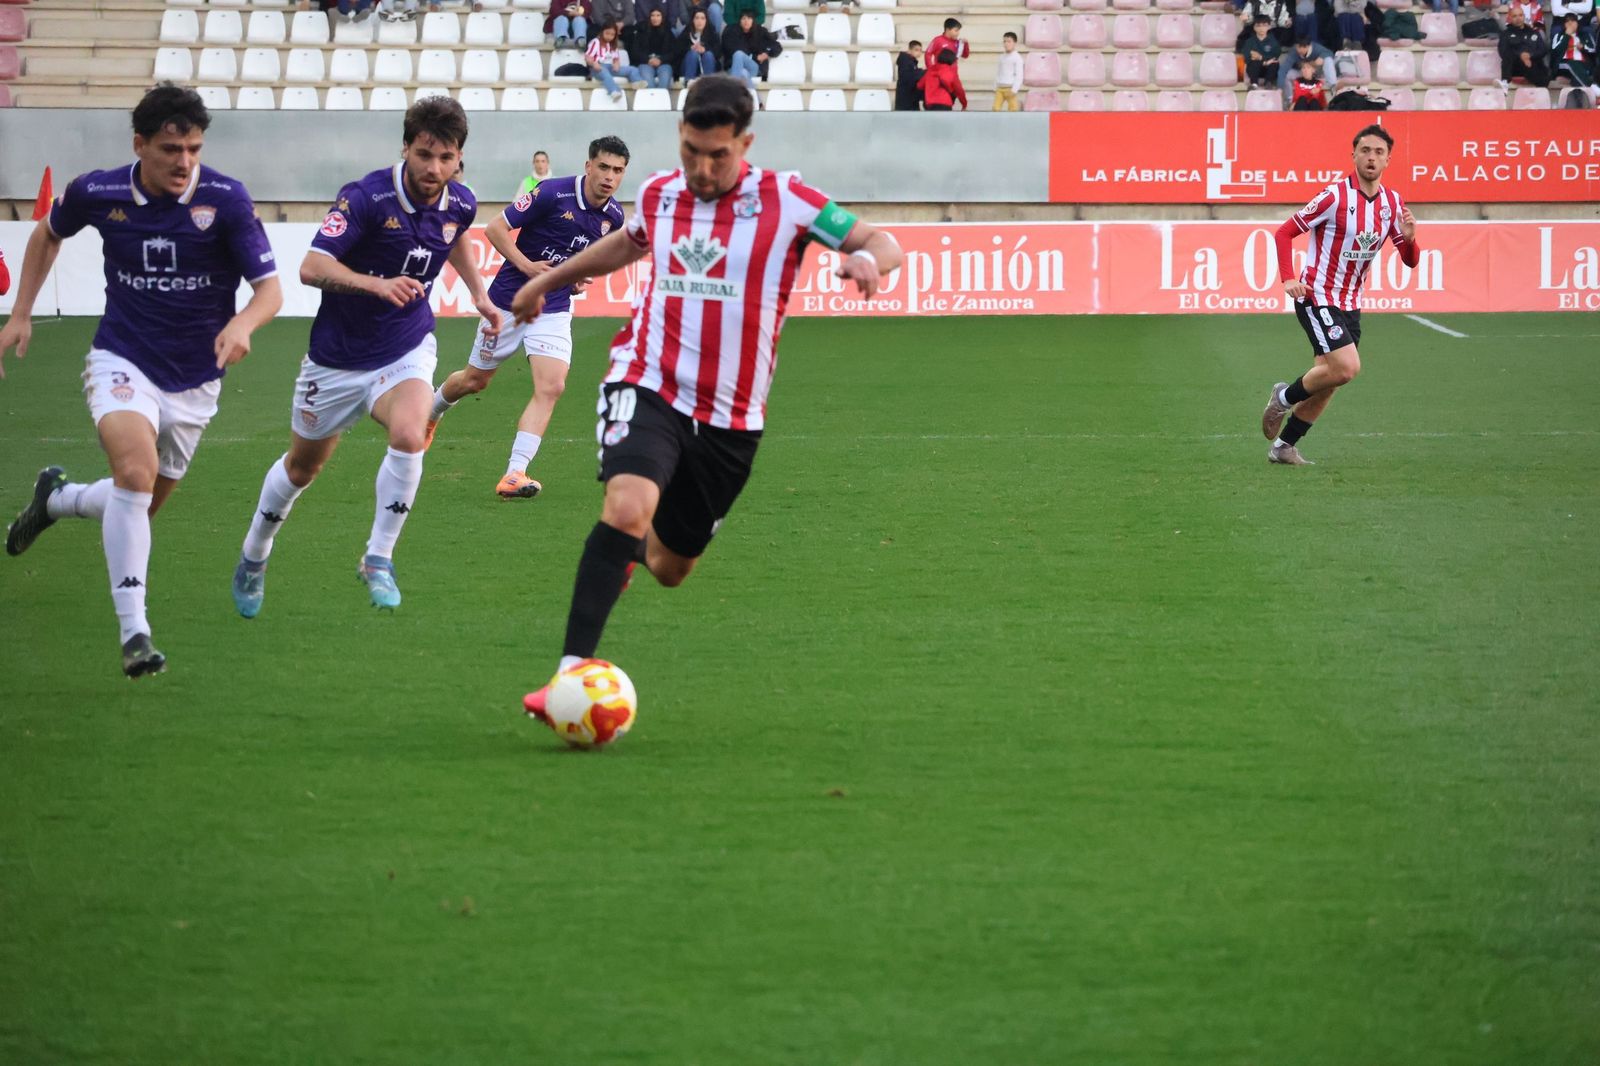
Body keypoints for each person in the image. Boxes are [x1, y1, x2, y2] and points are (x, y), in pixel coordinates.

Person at [508, 74, 902, 717]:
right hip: (648, 379)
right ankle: (568, 675)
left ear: (745, 143)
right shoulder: (662, 193)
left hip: (730, 415)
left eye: (718, 154)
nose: (703, 166)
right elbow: (622, 246)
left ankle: (630, 552)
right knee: (628, 503)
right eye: (691, 149)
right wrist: (545, 280)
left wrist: (869, 263)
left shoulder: (791, 200)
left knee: (669, 565)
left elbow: (880, 242)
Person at [0, 84, 281, 677]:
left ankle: (56, 501)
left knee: (140, 503)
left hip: (198, 380)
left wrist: (244, 324)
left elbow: (271, 291)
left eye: (194, 148)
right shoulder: (97, 191)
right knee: (134, 473)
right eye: (170, 148)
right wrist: (21, 311)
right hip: (122, 358)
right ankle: (135, 633)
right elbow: (47, 233)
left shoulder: (226, 199)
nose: (184, 161)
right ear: (140, 144)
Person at [230, 97, 497, 617]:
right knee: (302, 468)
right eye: (424, 155)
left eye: (446, 158)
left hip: (405, 347)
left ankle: (378, 557)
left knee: (409, 432)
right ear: (406, 146)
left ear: (459, 157)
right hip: (335, 360)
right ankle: (254, 556)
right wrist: (375, 285)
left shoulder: (459, 201)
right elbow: (311, 267)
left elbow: (457, 237)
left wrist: (479, 295)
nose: (434, 169)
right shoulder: (367, 198)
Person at [428, 137, 628, 499]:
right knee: (475, 380)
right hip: (509, 301)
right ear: (588, 166)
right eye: (603, 167)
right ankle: (433, 408)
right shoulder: (552, 193)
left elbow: (590, 257)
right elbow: (494, 229)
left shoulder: (613, 218)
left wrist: (579, 277)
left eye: (617, 170)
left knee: (552, 386)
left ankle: (515, 472)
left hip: (553, 307)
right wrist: (527, 266)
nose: (609, 177)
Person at [1260, 125, 1418, 466]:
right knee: (1346, 368)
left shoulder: (1392, 203)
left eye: (1378, 152)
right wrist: (1288, 279)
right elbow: (1284, 232)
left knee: (1329, 381)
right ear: (1354, 155)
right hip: (1317, 295)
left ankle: (1284, 447)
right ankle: (1283, 397)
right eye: (1365, 150)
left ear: (1389, 159)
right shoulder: (1334, 196)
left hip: (1350, 303)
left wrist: (1409, 239)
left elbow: (1409, 260)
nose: (1371, 157)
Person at [721, 9, 778, 87]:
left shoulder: (760, 32)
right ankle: (754, 98)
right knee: (743, 72)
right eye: (743, 18)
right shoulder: (732, 32)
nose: (746, 21)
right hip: (734, 67)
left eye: (749, 18)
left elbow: (777, 46)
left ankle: (733, 91)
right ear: (740, 21)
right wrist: (755, 57)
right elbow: (732, 49)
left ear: (753, 21)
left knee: (739, 55)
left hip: (754, 67)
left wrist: (767, 53)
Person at [587, 23, 640, 102]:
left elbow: (616, 58)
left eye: (612, 35)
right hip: (597, 68)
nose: (609, 37)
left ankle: (638, 85)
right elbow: (588, 57)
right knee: (605, 73)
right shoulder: (595, 42)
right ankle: (614, 91)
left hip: (610, 67)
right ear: (602, 32)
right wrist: (594, 64)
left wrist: (616, 64)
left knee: (633, 69)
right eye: (607, 33)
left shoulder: (613, 44)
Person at [1500, 5, 1550, 85]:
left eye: (1520, 15)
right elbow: (1503, 52)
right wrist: (1521, 56)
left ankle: (1543, 83)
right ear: (1510, 18)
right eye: (1514, 16)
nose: (1518, 18)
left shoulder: (1533, 32)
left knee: (1541, 70)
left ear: (1524, 16)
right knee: (1508, 59)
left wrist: (1529, 55)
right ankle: (1505, 84)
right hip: (1515, 67)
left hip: (1532, 63)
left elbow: (1543, 50)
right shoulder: (1505, 34)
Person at [631, 7, 678, 88]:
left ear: (662, 17)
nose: (655, 18)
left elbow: (673, 52)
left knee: (664, 83)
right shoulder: (641, 32)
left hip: (664, 64)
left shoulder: (668, 32)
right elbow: (635, 51)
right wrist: (648, 60)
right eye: (652, 15)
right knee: (649, 84)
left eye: (658, 15)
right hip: (645, 63)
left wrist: (661, 60)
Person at [1278, 35, 1333, 101]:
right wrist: (1280, 88)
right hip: (1302, 73)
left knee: (1328, 59)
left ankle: (1332, 85)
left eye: (1304, 47)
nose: (1301, 50)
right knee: (1287, 74)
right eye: (1299, 47)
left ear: (1309, 46)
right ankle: (1290, 99)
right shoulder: (1294, 52)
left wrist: (1322, 57)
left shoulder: (1316, 48)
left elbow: (1329, 53)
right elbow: (1284, 69)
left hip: (1316, 73)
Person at [1551, 12, 1597, 87]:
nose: (1570, 23)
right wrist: (1566, 36)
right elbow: (1555, 52)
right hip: (1564, 63)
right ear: (1564, 25)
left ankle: (1573, 81)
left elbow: (1593, 50)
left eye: (1573, 21)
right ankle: (1592, 88)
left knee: (1576, 77)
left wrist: (1583, 48)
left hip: (1583, 64)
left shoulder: (1585, 35)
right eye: (1567, 21)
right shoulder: (1558, 36)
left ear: (1577, 23)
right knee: (1572, 63)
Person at [1239, 16, 1283, 88]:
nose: (1261, 28)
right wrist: (1264, 61)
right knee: (1253, 63)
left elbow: (1276, 55)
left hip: (1268, 69)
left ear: (1269, 27)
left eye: (1264, 25)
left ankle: (1268, 83)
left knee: (1274, 64)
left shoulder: (1273, 41)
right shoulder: (1249, 41)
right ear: (1254, 28)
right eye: (1258, 26)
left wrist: (1260, 57)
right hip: (1255, 69)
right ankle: (1254, 84)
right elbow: (1247, 57)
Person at [679, 9, 721, 81]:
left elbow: (718, 52)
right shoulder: (687, 31)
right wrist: (690, 48)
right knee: (693, 54)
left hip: (708, 67)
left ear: (706, 20)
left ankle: (708, 84)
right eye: (697, 18)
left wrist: (705, 49)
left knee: (708, 54)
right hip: (688, 67)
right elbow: (677, 50)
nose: (699, 21)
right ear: (693, 20)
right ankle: (689, 83)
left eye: (702, 18)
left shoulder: (712, 32)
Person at [993, 32, 1023, 111]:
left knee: (1012, 109)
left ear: (1015, 43)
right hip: (1000, 88)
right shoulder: (1001, 57)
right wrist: (995, 86)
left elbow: (1019, 75)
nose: (1006, 44)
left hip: (1010, 88)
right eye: (1004, 41)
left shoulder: (1017, 58)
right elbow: (998, 72)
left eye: (1009, 41)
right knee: (995, 108)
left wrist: (1014, 90)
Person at [895, 40, 924, 110]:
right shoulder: (905, 61)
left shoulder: (911, 62)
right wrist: (921, 72)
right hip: (905, 99)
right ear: (909, 50)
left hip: (910, 98)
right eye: (916, 50)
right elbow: (908, 77)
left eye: (920, 50)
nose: (919, 52)